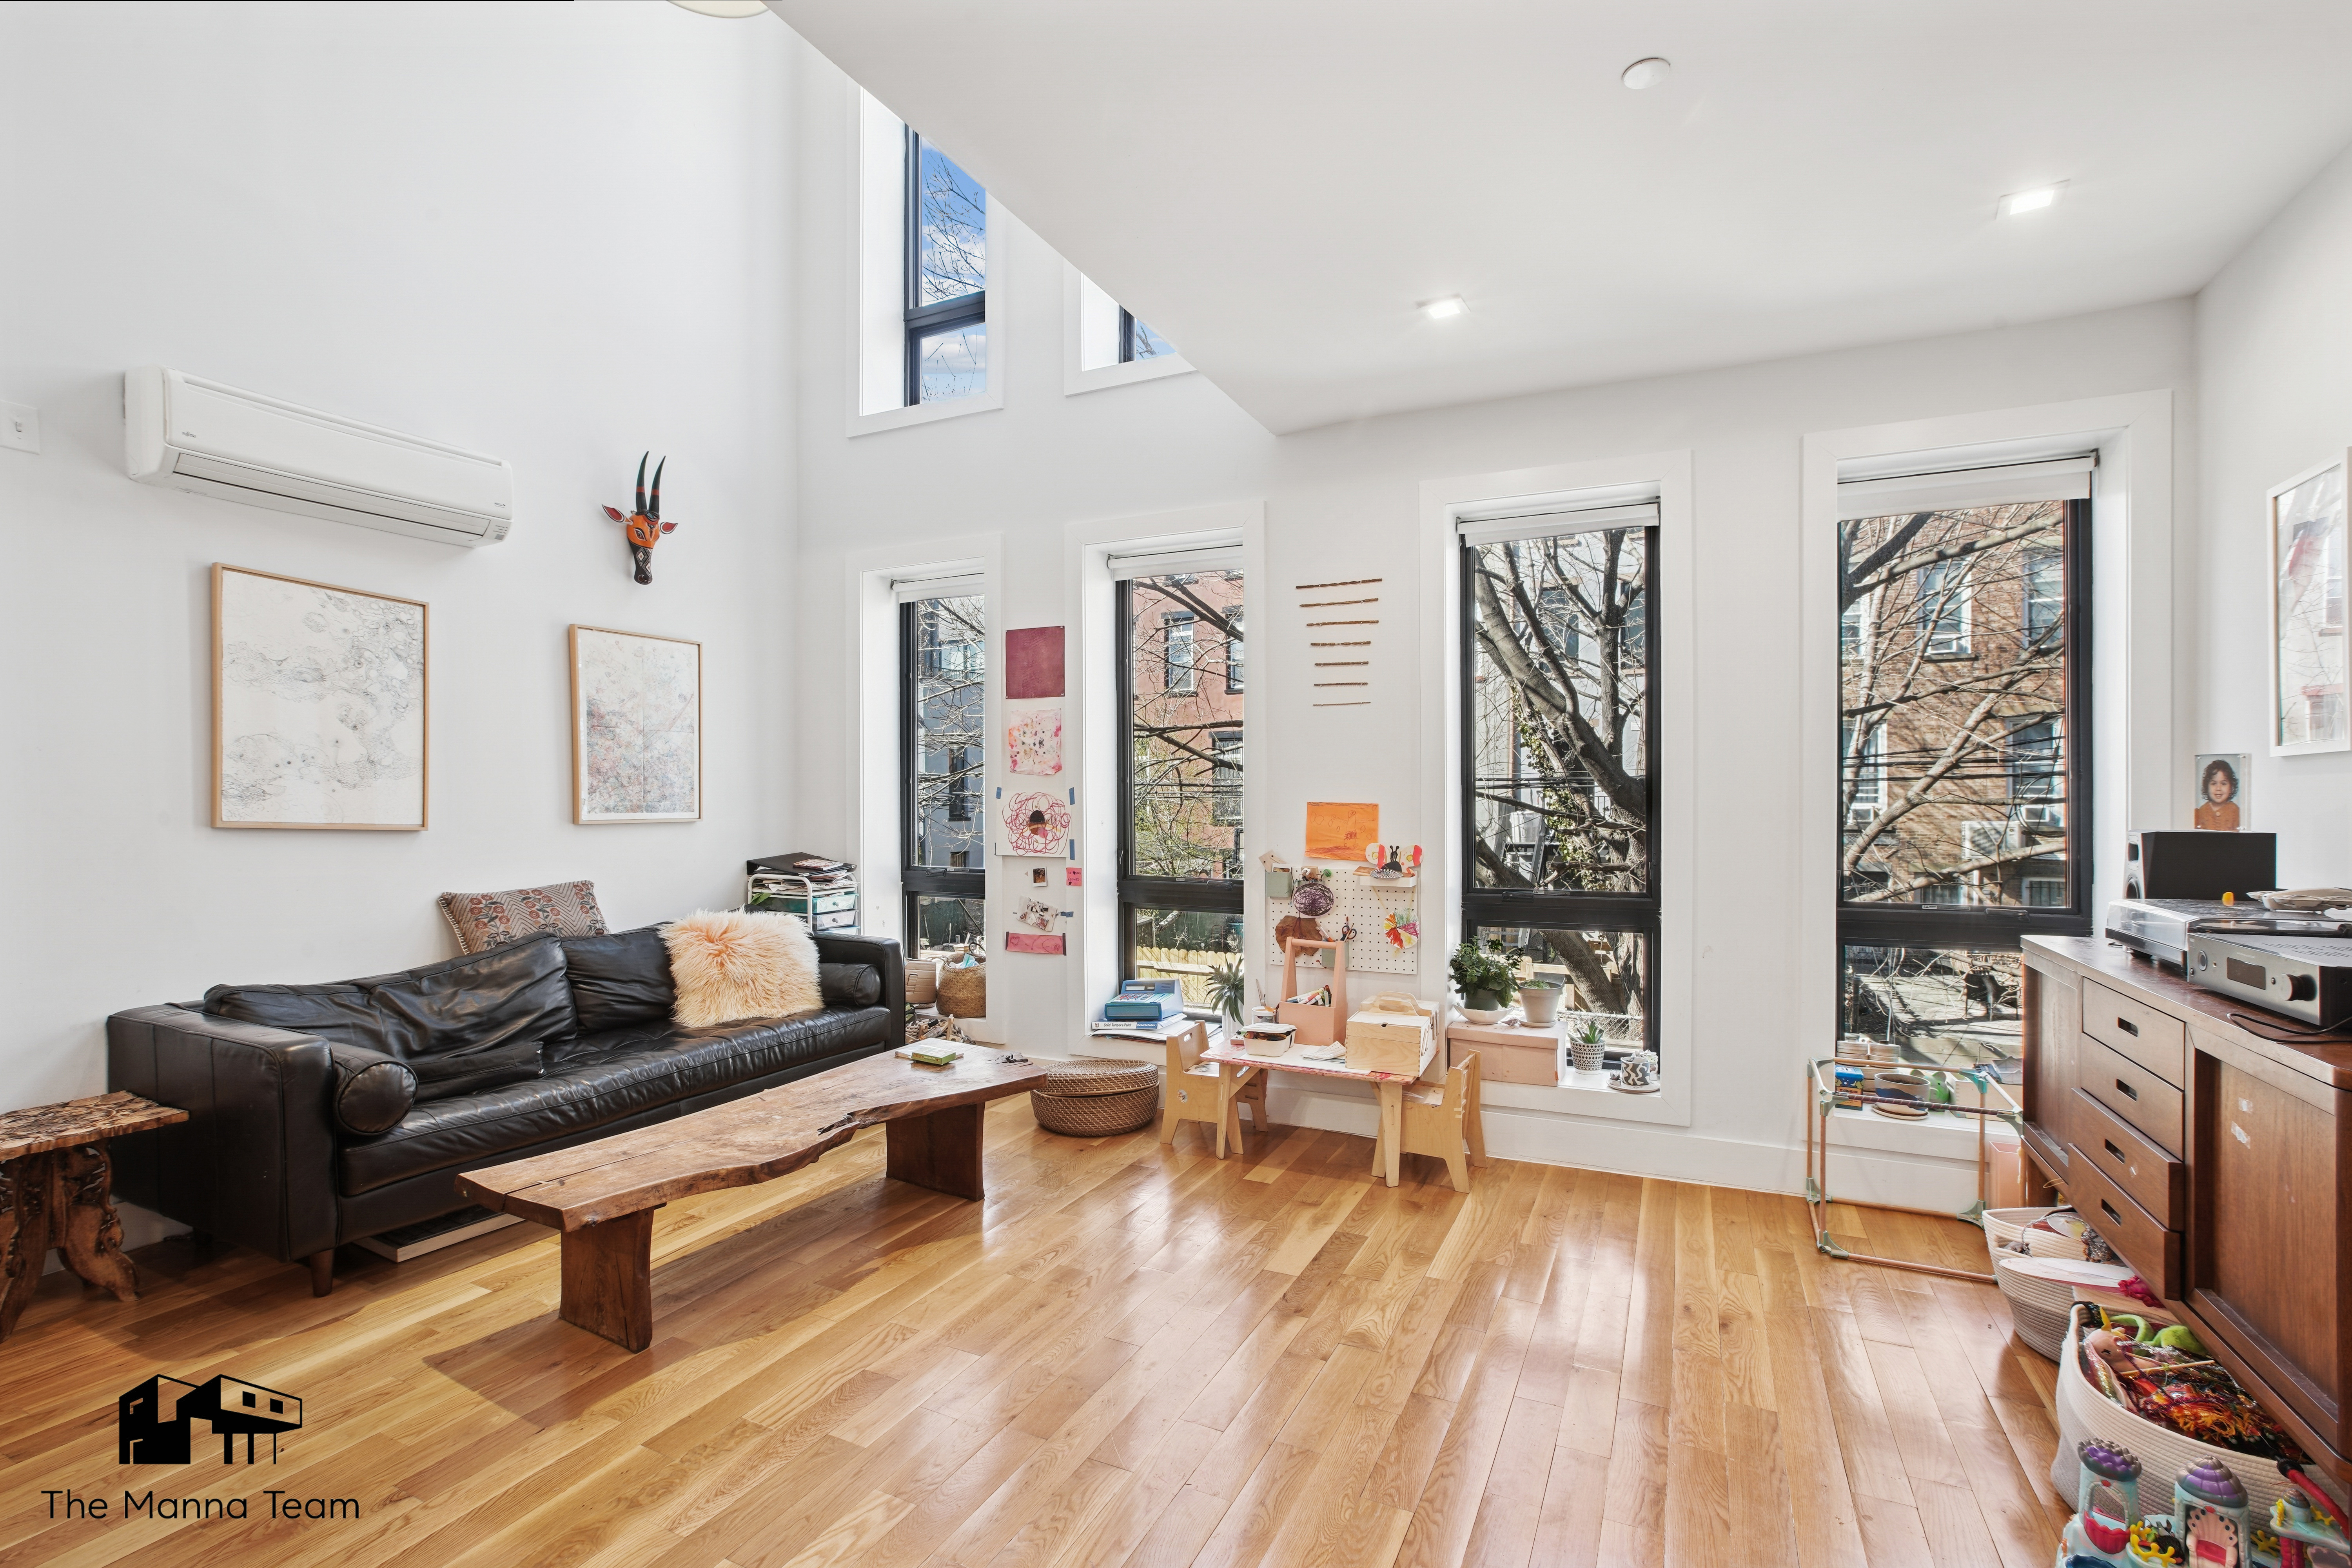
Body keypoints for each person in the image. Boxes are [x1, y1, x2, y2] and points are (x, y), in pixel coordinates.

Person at [2195, 757, 2241, 831]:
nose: (2218, 788)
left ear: (2231, 787)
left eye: (2224, 784)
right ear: (2207, 787)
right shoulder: (2201, 812)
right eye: (2214, 784)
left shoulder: (2236, 812)